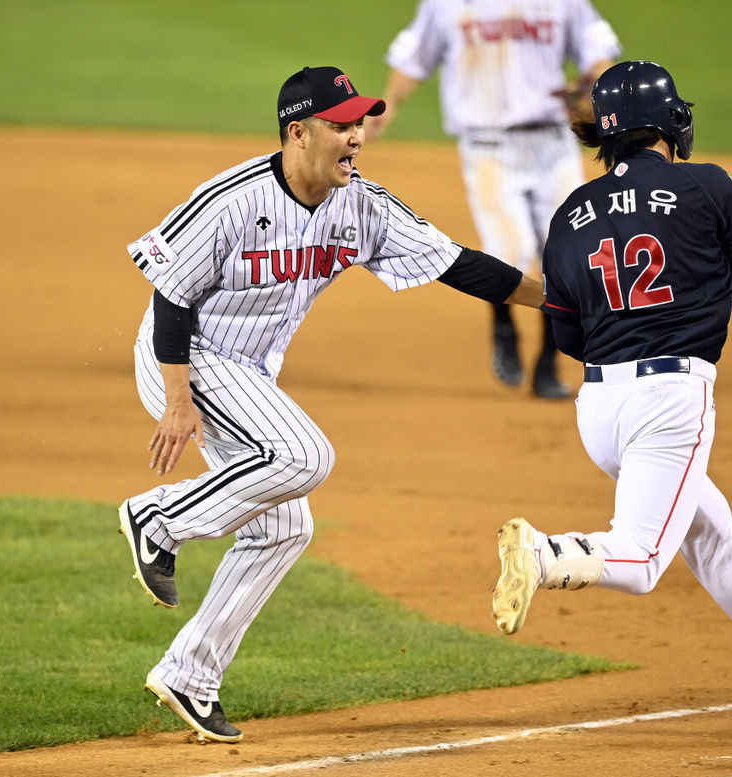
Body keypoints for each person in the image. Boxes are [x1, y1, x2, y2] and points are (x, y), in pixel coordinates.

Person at [118, 65, 543, 743]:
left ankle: (190, 674)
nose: (357, 137)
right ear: (298, 132)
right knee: (303, 454)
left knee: (285, 527)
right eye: (341, 124)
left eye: (360, 123)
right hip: (186, 357)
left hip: (249, 372)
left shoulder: (361, 205)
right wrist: (177, 400)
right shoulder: (231, 199)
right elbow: (170, 293)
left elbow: (458, 263)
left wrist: (555, 300)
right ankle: (158, 519)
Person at [490, 61, 732, 709]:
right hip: (669, 402)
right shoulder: (708, 185)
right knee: (642, 558)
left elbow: (569, 337)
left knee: (711, 533)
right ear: (669, 124)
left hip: (599, 411)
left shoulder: (570, 212)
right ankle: (544, 554)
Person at [367, 0, 622, 399]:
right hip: (487, 146)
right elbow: (414, 54)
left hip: (554, 143)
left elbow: (596, 49)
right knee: (510, 251)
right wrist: (391, 104)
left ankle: (548, 362)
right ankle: (504, 324)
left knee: (569, 250)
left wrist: (596, 85)